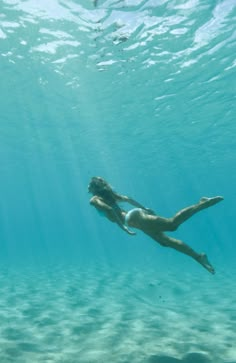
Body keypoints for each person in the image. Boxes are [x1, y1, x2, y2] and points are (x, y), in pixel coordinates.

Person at [88, 176, 223, 274]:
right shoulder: (109, 195)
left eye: (90, 184)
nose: (88, 187)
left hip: (133, 219)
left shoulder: (94, 199)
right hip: (135, 218)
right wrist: (144, 208)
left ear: (94, 187)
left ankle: (202, 204)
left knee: (172, 224)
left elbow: (110, 210)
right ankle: (199, 257)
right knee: (164, 241)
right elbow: (128, 199)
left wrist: (124, 228)